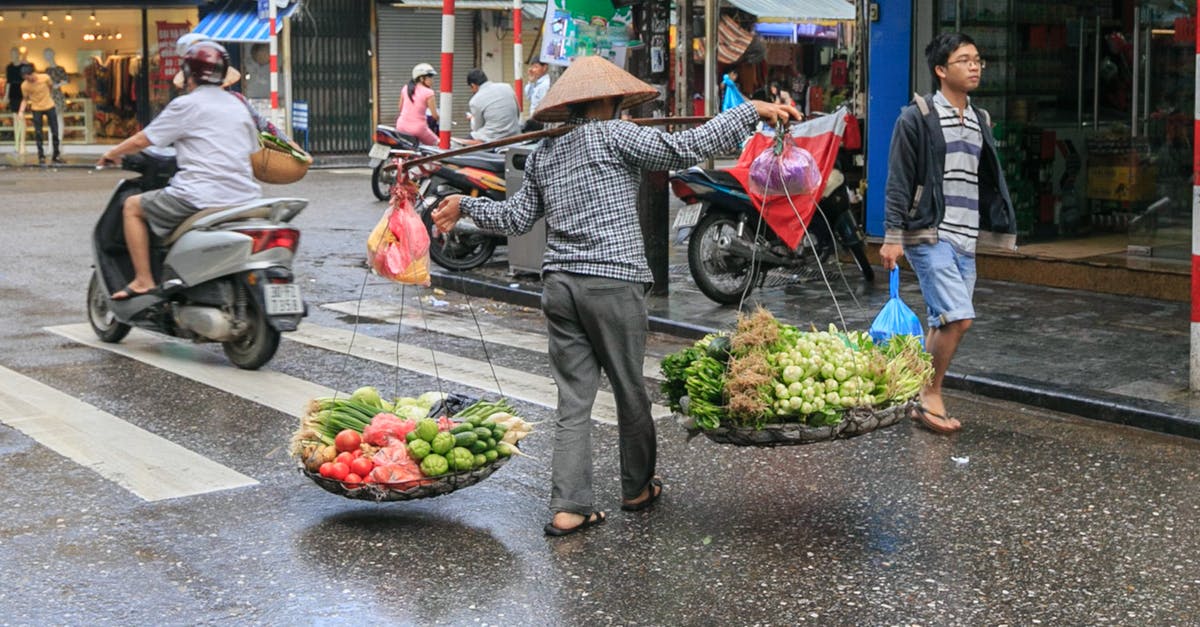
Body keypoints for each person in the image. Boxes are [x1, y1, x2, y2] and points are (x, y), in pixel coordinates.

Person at [432, 56, 798, 536]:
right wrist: (749, 110)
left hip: (559, 286)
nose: (622, 108)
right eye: (617, 102)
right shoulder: (613, 135)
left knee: (573, 400)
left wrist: (467, 205)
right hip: (612, 281)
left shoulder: (544, 152)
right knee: (629, 391)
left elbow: (517, 219)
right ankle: (636, 488)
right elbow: (685, 147)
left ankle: (569, 506)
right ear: (604, 101)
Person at [879, 32, 1016, 434]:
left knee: (942, 321)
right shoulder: (917, 117)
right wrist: (892, 235)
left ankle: (913, 392)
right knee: (959, 319)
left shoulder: (981, 119)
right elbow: (899, 180)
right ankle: (929, 393)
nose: (975, 66)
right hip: (928, 235)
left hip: (966, 237)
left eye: (978, 60)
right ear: (941, 70)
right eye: (964, 60)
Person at [97, 41, 260, 301]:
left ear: (189, 75)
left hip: (200, 196)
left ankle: (143, 280)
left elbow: (143, 140)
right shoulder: (238, 106)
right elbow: (251, 150)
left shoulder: (186, 105)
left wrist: (111, 153)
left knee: (132, 206)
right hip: (245, 198)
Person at [17, 64, 63, 165]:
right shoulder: (24, 85)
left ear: (33, 73)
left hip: (49, 106)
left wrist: (47, 97)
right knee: (38, 133)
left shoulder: (45, 77)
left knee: (55, 131)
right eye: (25, 78)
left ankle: (56, 155)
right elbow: (25, 99)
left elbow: (50, 87)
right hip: (36, 108)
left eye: (29, 77)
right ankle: (41, 156)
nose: (28, 80)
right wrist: (21, 111)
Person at [464, 68, 520, 144]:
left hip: (493, 138)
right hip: (514, 133)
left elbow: (477, 128)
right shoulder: (507, 87)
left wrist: (472, 119)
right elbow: (517, 111)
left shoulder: (475, 100)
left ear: (473, 85)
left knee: (463, 143)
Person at [395, 62, 440, 146]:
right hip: (419, 129)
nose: (432, 80)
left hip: (401, 126)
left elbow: (400, 107)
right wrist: (441, 118)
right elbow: (435, 116)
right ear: (421, 78)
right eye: (429, 77)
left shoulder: (406, 88)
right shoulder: (429, 93)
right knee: (439, 145)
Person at [521, 60, 550, 132]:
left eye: (536, 67)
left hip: (541, 123)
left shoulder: (545, 84)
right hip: (535, 122)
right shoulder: (536, 83)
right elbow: (529, 97)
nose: (532, 70)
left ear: (545, 68)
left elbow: (544, 107)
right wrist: (531, 81)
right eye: (532, 67)